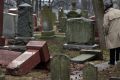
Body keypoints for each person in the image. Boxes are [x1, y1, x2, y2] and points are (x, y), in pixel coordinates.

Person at [103, 1, 120, 65]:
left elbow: (105, 26)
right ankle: (118, 59)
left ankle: (112, 61)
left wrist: (106, 33)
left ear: (106, 7)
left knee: (112, 47)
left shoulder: (107, 14)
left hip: (112, 32)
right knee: (118, 45)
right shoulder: (119, 11)